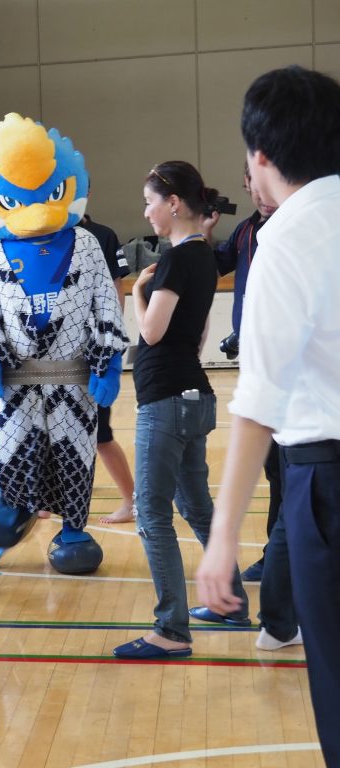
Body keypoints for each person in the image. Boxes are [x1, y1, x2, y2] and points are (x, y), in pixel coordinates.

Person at [197, 65, 340, 767]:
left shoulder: (285, 236)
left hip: (329, 481)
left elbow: (258, 402)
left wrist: (222, 539)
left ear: (261, 156)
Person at [112, 161, 248, 660]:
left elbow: (151, 332)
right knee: (195, 505)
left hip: (167, 401)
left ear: (172, 203)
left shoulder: (173, 263)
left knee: (152, 513)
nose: (146, 212)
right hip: (195, 396)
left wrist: (137, 294)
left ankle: (171, 629)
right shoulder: (204, 259)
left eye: (150, 202)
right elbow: (198, 336)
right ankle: (230, 603)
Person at [203, 165, 280, 582]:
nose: (261, 192)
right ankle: (277, 553)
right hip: (256, 361)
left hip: (291, 367)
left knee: (291, 466)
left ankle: (281, 555)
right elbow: (215, 266)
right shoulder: (247, 231)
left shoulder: (297, 226)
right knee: (273, 466)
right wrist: (207, 232)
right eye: (253, 184)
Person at [79, 212, 136, 525]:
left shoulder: (102, 235)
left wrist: (109, 339)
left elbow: (117, 289)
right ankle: (45, 500)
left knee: (101, 434)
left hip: (94, 349)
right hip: (58, 351)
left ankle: (131, 499)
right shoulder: (46, 236)